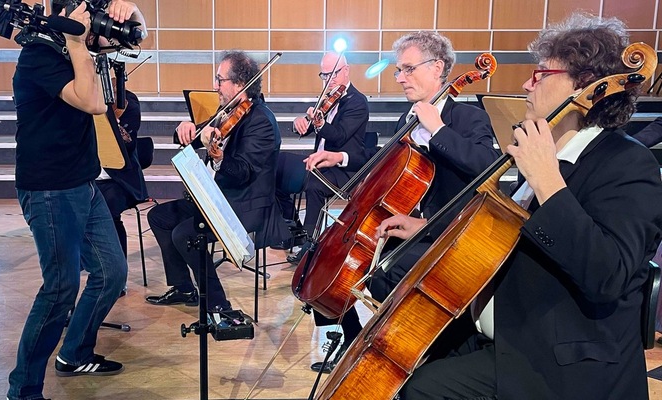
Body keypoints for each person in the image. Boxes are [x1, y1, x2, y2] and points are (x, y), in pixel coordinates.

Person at [398, 13, 662, 399]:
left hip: (562, 357)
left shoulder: (627, 164)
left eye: (540, 75)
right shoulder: (551, 153)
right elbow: (504, 237)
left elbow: (609, 275)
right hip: (508, 330)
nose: (526, 84)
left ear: (585, 85)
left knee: (424, 390)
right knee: (410, 357)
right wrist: (428, 231)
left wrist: (548, 182)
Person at [309, 32, 501, 373]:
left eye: (408, 69)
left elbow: (486, 167)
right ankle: (366, 350)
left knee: (387, 272)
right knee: (349, 273)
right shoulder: (407, 120)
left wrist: (439, 130)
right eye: (399, 70)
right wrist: (340, 159)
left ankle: (423, 357)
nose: (399, 77)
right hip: (413, 228)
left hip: (451, 235)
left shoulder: (467, 118)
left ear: (437, 68)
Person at [6, 2, 147, 399]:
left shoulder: (75, 45)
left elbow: (139, 35)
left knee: (112, 272)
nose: (95, 25)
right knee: (60, 288)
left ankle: (74, 352)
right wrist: (77, 41)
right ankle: (24, 389)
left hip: (83, 182)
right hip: (49, 189)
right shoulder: (39, 54)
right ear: (69, 15)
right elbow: (93, 102)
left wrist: (131, 7)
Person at [145, 50, 287, 312]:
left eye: (220, 80)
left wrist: (219, 157)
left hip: (243, 206)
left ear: (240, 85)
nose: (215, 86)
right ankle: (183, 287)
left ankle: (218, 304)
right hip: (215, 197)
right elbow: (196, 136)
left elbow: (243, 172)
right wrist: (184, 129)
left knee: (185, 234)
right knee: (160, 217)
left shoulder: (261, 122)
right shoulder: (226, 112)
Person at [274, 52, 370, 262]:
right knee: (274, 167)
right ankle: (294, 229)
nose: (329, 80)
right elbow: (307, 127)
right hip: (320, 163)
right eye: (324, 75)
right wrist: (299, 122)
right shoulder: (327, 99)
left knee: (314, 184)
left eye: (333, 74)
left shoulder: (358, 102)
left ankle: (310, 244)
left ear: (346, 71)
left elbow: (340, 135)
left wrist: (319, 124)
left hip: (345, 169)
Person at [95, 89, 148, 296]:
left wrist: (113, 120)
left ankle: (117, 277)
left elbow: (129, 142)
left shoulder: (128, 101)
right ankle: (93, 268)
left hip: (119, 181)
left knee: (107, 209)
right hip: (88, 176)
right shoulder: (81, 95)